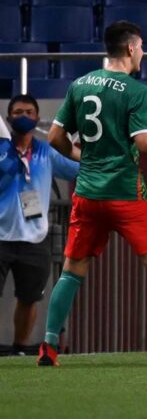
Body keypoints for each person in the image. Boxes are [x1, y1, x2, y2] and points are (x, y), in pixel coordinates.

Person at [39, 20, 147, 367]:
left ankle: (47, 346)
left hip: (88, 194)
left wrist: (86, 158)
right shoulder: (136, 91)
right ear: (132, 48)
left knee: (72, 271)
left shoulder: (79, 84)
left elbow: (55, 139)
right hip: (125, 195)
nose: (143, 53)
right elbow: (146, 144)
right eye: (143, 47)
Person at [0, 94, 79, 356]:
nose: (23, 116)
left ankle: (20, 349)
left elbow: (77, 168)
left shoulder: (47, 152)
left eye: (29, 112)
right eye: (18, 112)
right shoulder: (1, 150)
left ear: (37, 118)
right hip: (0, 236)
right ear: (9, 118)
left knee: (29, 298)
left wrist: (105, 157)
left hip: (35, 240)